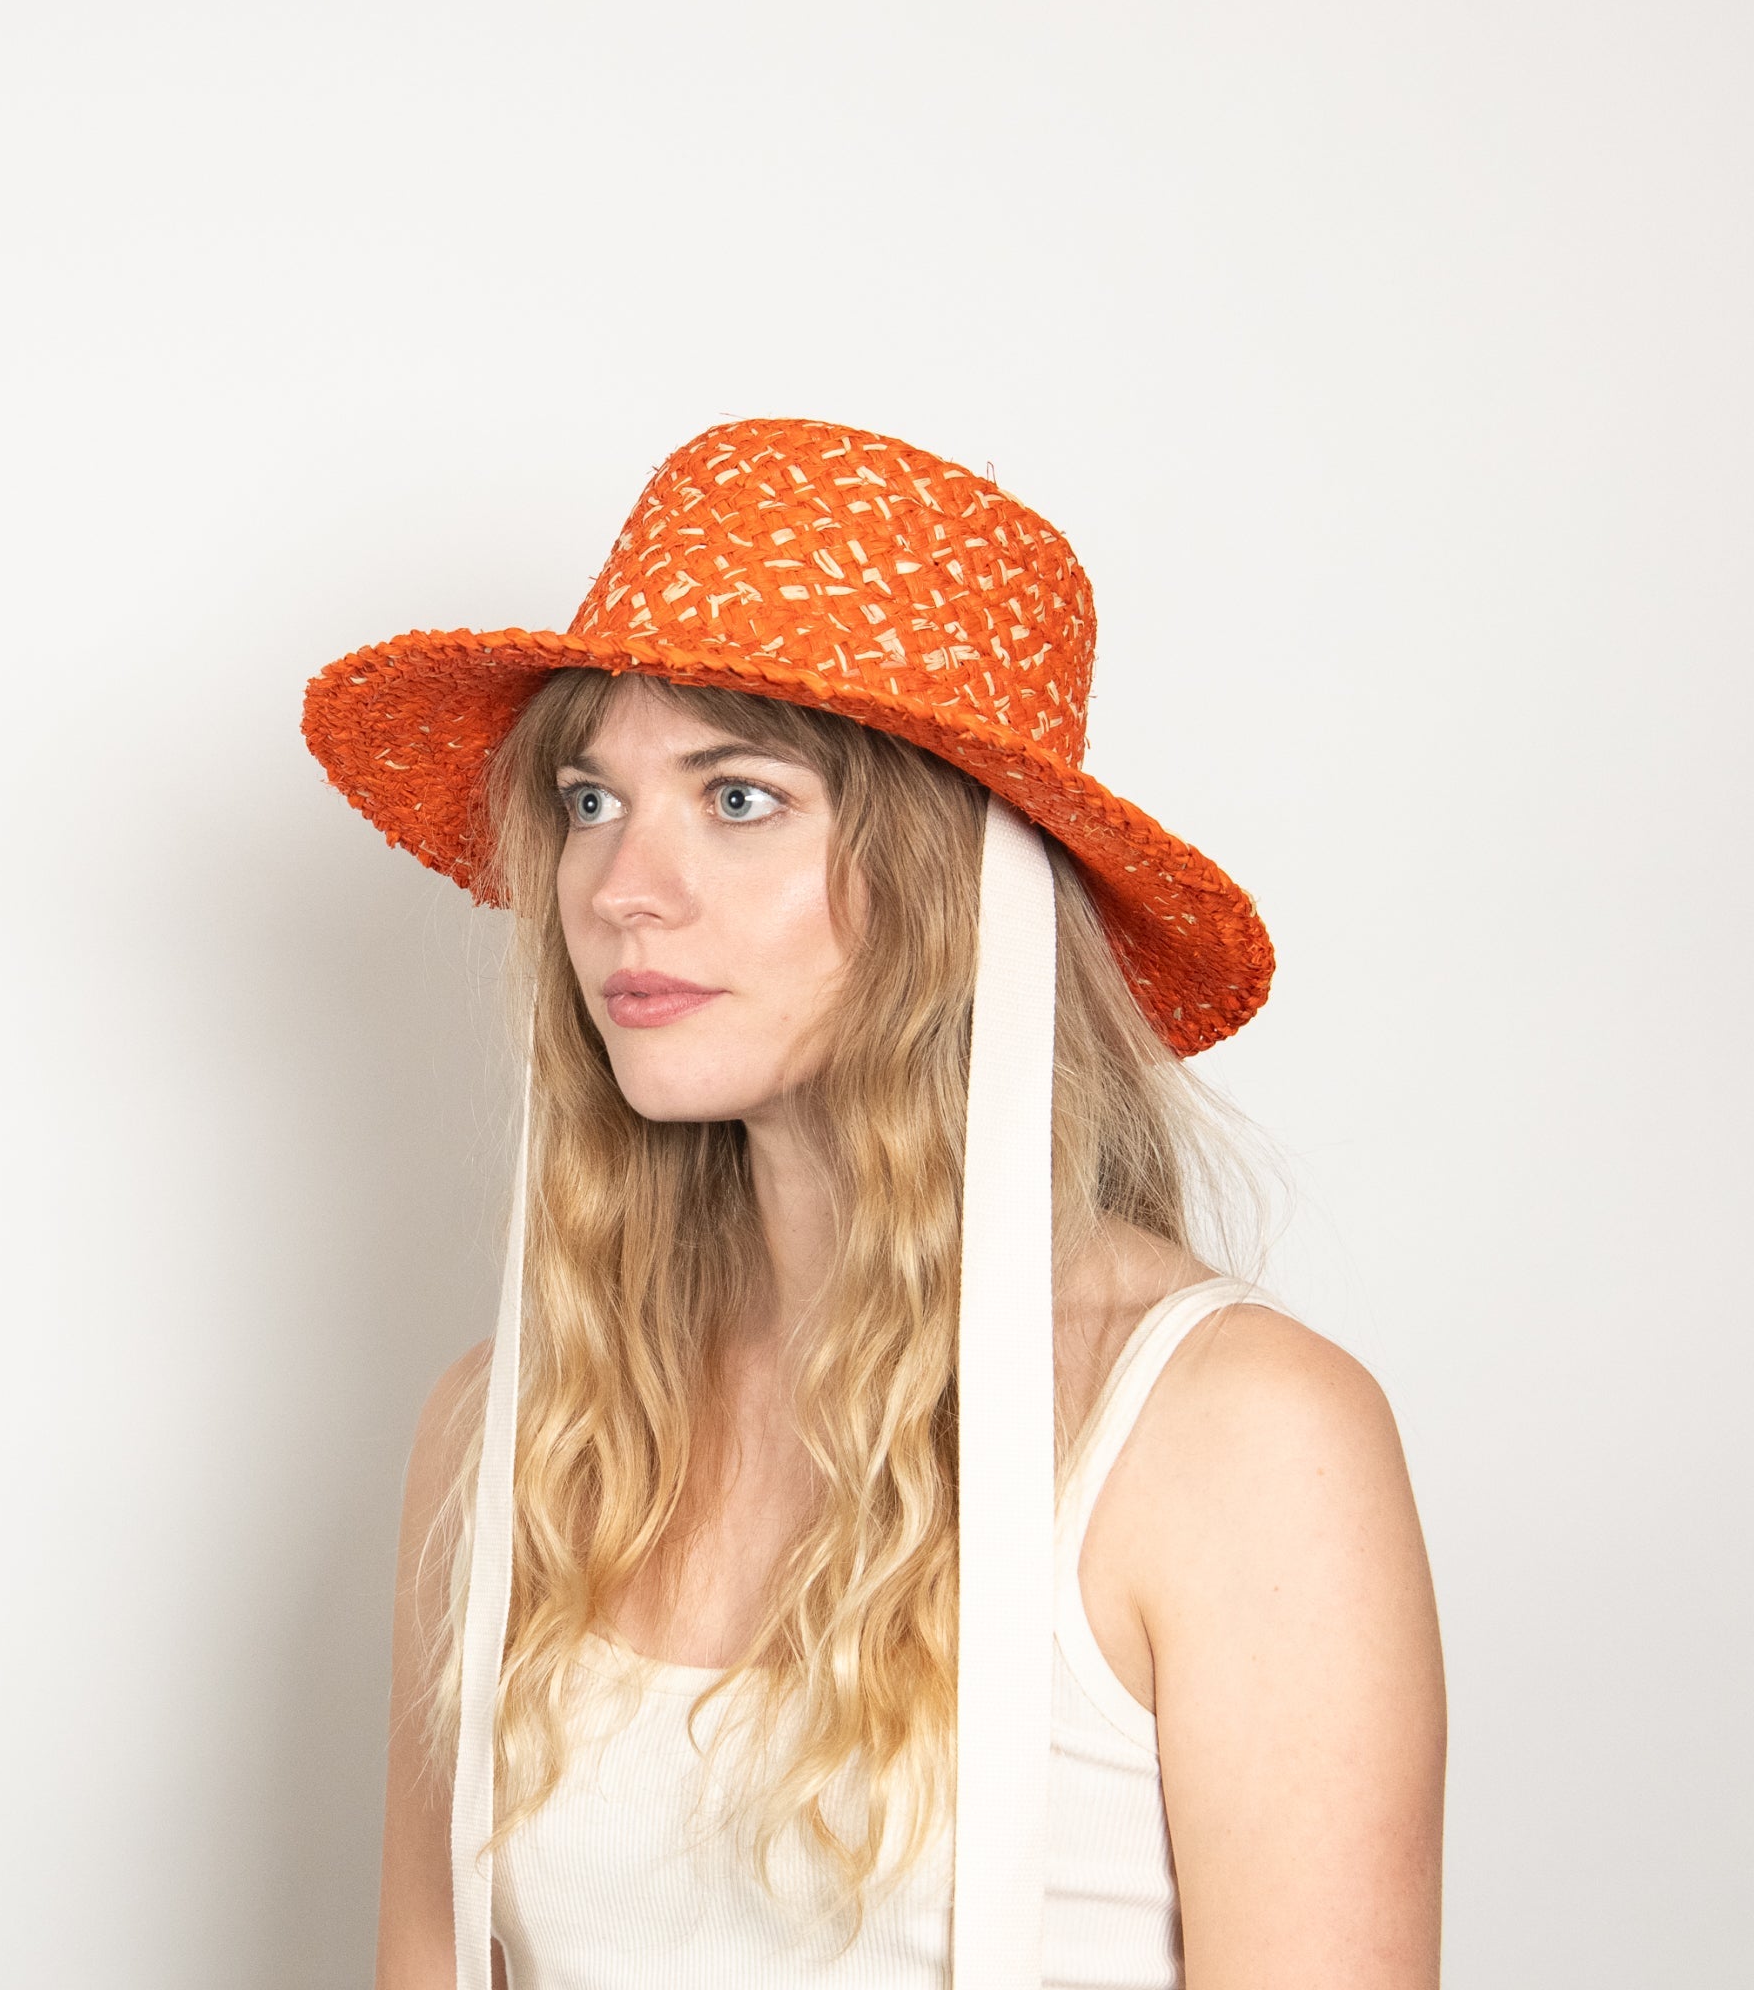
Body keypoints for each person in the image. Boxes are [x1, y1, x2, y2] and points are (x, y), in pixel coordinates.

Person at [302, 418, 1447, 1989]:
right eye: (588, 800)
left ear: (950, 881)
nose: (622, 885)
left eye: (740, 796)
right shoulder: (511, 1432)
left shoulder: (1231, 1437)